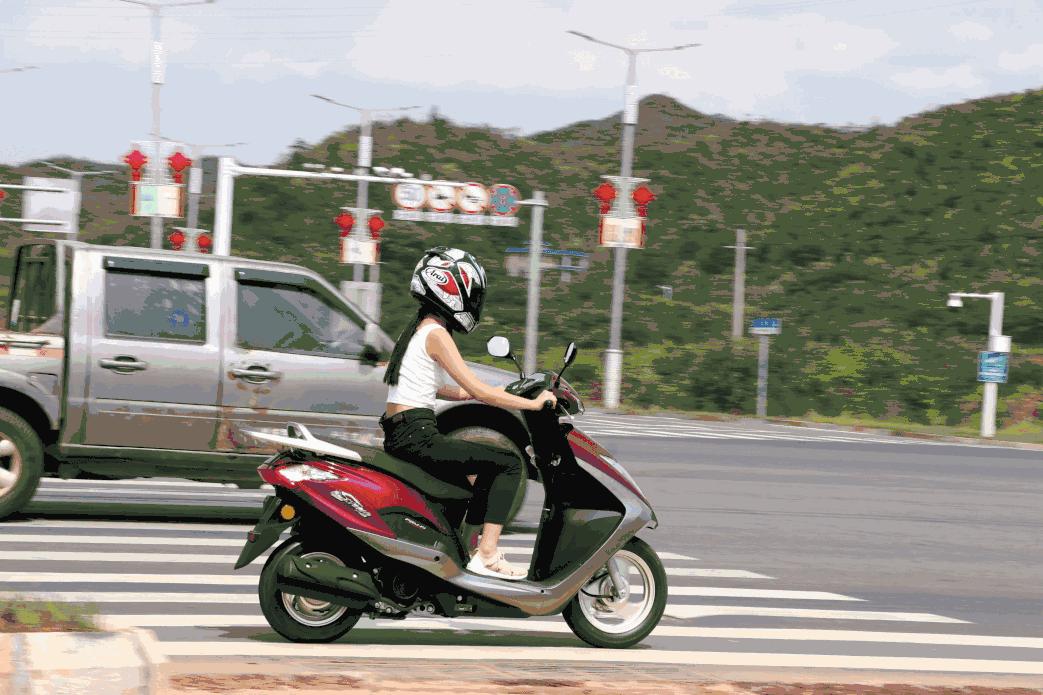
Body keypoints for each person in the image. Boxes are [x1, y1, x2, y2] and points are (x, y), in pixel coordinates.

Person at [379, 247, 555, 581]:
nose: (474, 302)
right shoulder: (437, 334)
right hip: (417, 435)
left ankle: (461, 553)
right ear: (450, 290)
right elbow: (477, 389)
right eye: (472, 294)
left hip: (404, 431)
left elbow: (435, 387)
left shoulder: (419, 328)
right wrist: (532, 404)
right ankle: (486, 555)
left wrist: (490, 395)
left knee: (470, 482)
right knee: (508, 463)